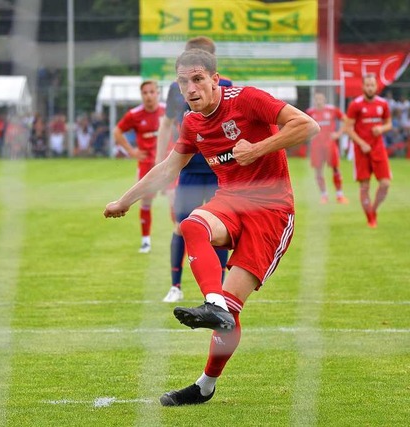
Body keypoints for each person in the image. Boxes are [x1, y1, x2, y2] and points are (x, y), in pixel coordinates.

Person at [104, 49, 319, 406]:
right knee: (192, 224)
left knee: (231, 315)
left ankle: (205, 385)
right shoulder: (192, 122)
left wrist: (258, 148)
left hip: (272, 211)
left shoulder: (248, 99)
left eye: (198, 79)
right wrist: (124, 201)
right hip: (232, 201)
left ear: (216, 79)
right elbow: (168, 168)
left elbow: (307, 125)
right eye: (183, 82)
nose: (191, 88)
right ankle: (212, 301)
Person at [156, 36, 231, 303]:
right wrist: (160, 168)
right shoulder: (176, 90)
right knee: (181, 226)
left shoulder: (228, 88)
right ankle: (175, 286)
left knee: (219, 231)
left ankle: (217, 291)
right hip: (188, 169)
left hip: (218, 171)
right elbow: (166, 126)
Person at [113, 80, 165, 253]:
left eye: (152, 92)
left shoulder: (167, 112)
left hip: (166, 164)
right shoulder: (134, 114)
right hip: (146, 165)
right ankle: (145, 241)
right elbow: (117, 132)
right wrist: (131, 151)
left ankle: (180, 237)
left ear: (157, 93)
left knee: (176, 199)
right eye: (145, 93)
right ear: (141, 95)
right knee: (146, 201)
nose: (149, 95)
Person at [344, 73, 392, 228]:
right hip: (361, 151)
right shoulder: (355, 105)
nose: (370, 87)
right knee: (365, 186)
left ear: (376, 86)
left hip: (378, 149)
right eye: (367, 85)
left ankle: (374, 209)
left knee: (385, 184)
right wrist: (362, 143)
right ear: (363, 86)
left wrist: (382, 128)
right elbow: (348, 129)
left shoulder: (383, 104)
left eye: (373, 85)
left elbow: (389, 124)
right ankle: (370, 217)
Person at [305, 92, 349, 204]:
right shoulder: (310, 112)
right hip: (316, 146)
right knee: (318, 171)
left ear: (324, 100)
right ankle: (324, 195)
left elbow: (346, 120)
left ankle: (340, 195)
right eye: (317, 99)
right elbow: (303, 125)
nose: (319, 101)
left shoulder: (332, 110)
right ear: (314, 100)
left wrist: (338, 134)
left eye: (321, 99)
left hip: (330, 145)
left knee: (335, 169)